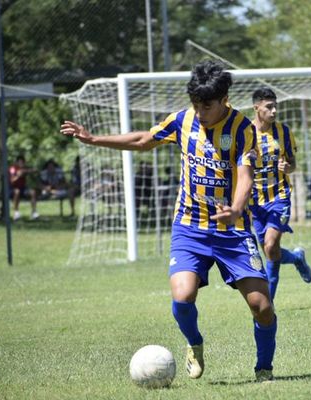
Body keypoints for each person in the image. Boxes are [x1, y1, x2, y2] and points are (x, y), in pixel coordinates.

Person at [60, 60, 277, 382]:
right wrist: (93, 140)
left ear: (223, 99)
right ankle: (195, 343)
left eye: (207, 105)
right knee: (182, 295)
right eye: (195, 105)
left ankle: (264, 369)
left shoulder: (242, 129)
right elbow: (142, 140)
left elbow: (245, 176)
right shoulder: (181, 121)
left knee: (262, 305)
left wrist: (235, 208)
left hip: (232, 230)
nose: (200, 112)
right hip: (189, 226)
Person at [249, 87, 311, 301]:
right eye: (269, 107)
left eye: (275, 106)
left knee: (270, 245)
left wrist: (288, 167)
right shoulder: (244, 134)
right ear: (256, 107)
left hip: (279, 197)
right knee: (271, 252)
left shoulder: (284, 132)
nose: (274, 111)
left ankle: (269, 303)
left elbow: (293, 163)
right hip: (255, 202)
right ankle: (296, 258)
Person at [9, 155, 39, 221]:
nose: (21, 164)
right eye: (19, 162)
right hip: (12, 189)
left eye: (22, 162)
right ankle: (16, 212)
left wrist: (27, 171)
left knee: (33, 192)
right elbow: (12, 181)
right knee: (17, 191)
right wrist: (18, 175)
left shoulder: (25, 168)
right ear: (16, 162)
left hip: (23, 189)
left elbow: (34, 170)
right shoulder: (12, 169)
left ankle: (34, 212)